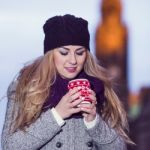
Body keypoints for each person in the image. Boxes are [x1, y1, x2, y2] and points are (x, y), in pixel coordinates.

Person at [1, 14, 133, 150]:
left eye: (80, 52)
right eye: (64, 53)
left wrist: (94, 121)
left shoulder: (98, 88)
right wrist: (57, 114)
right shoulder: (26, 87)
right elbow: (8, 146)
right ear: (50, 54)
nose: (73, 60)